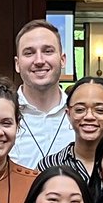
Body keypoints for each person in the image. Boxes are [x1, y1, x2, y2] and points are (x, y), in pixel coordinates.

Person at [11, 20, 74, 168]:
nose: (39, 61)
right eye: (29, 53)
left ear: (63, 60)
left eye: (48, 51)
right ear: (17, 64)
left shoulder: (81, 116)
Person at [40, 76, 103, 183]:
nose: (89, 116)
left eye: (99, 110)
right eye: (80, 110)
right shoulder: (49, 165)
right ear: (68, 114)